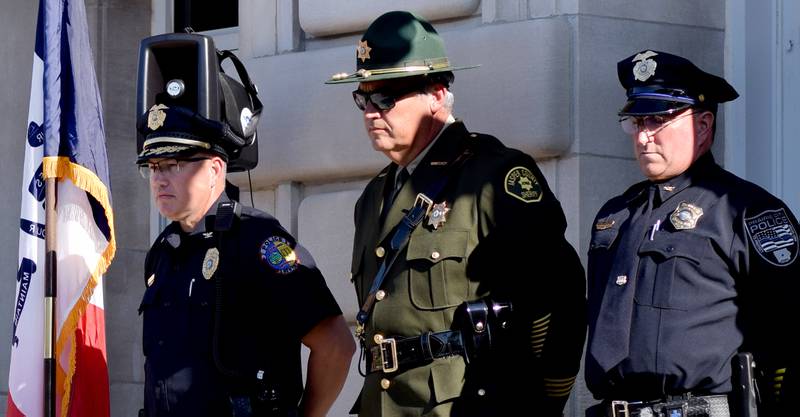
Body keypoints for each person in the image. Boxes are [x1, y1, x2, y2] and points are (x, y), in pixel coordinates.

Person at [326, 11, 587, 417]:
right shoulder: (376, 195)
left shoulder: (494, 176)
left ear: (436, 93)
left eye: (386, 98)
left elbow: (558, 299)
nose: (371, 113)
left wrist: (542, 403)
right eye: (363, 98)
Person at [585, 50, 796, 417]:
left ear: (702, 125)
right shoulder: (615, 216)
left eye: (659, 119)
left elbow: (790, 332)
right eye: (637, 121)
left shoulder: (746, 210)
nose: (644, 135)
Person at [135, 79, 355, 416]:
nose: (159, 179)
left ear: (215, 169)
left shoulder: (258, 240)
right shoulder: (162, 252)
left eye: (174, 165)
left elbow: (335, 345)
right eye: (152, 167)